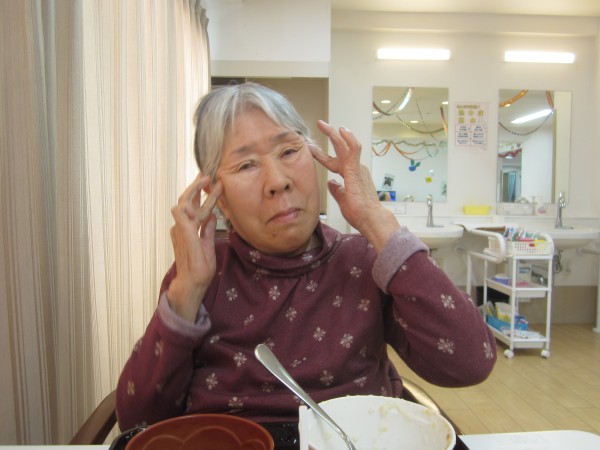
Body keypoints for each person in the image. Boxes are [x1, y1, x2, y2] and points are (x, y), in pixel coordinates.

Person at [116, 82, 496, 432]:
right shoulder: (203, 274)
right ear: (219, 197)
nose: (278, 181)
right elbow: (138, 420)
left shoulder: (362, 262)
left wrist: (376, 221)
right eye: (246, 165)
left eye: (288, 151)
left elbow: (471, 361)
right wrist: (186, 291)